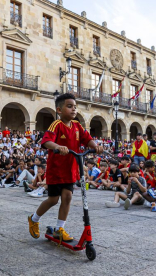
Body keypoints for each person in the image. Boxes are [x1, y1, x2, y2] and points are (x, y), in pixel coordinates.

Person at [28, 93, 103, 242]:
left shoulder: (77, 126)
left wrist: (95, 146)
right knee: (53, 199)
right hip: (56, 169)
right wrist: (58, 146)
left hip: (71, 169)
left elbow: (87, 139)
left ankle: (59, 228)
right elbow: (46, 141)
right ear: (59, 110)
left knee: (67, 197)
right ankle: (34, 219)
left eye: (75, 107)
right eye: (69, 106)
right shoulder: (56, 124)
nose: (73, 109)